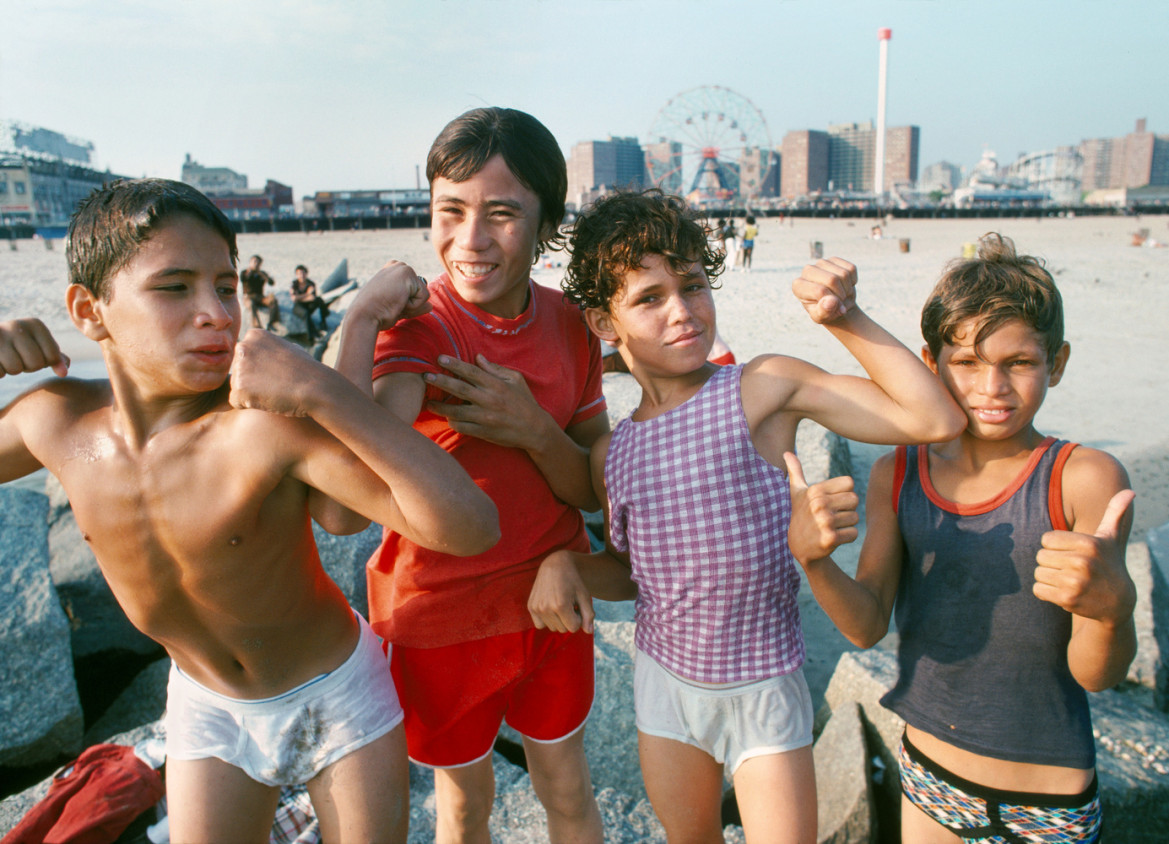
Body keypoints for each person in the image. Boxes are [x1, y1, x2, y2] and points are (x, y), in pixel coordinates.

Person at [0, 178, 499, 843]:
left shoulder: (261, 431)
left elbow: (469, 527)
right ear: (89, 312)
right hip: (210, 709)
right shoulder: (54, 421)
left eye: (226, 286)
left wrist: (320, 389)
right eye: (174, 288)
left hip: (335, 697)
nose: (215, 311)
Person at [527, 190, 965, 843]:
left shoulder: (760, 390)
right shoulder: (610, 454)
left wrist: (844, 319)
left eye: (693, 286)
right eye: (648, 298)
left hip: (764, 685)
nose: (681, 312)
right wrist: (566, 564)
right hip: (665, 689)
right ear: (602, 323)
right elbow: (632, 575)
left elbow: (933, 419)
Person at [785, 232, 1136, 843]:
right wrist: (814, 561)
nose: (991, 387)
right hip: (930, 779)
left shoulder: (1084, 479)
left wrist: (1112, 609)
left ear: (1058, 361)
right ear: (931, 362)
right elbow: (867, 624)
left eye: (1019, 363)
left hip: (1047, 799)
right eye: (967, 362)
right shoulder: (900, 472)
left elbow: (1095, 675)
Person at [334, 107, 608, 844]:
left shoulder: (573, 326)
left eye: (502, 214)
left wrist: (534, 431)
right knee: (463, 804)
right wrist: (360, 322)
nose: (471, 240)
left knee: (569, 789)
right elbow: (361, 467)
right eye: (449, 212)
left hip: (554, 602)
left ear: (546, 221)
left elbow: (592, 485)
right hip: (438, 617)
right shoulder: (420, 326)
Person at [240, 253, 281, 329]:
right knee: (252, 304)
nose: (256, 264)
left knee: (273, 300)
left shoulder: (262, 273)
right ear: (250, 262)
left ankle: (271, 322)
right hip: (248, 297)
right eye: (254, 262)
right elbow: (243, 278)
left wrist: (262, 275)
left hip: (260, 297)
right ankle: (256, 325)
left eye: (258, 262)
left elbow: (271, 282)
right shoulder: (245, 272)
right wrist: (251, 271)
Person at [291, 264, 330, 341]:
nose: (301, 275)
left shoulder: (310, 284)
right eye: (299, 274)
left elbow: (312, 298)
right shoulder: (294, 284)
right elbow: (294, 299)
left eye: (303, 273)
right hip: (298, 307)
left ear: (306, 274)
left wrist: (300, 297)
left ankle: (323, 321)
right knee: (306, 313)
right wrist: (307, 294)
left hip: (308, 305)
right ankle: (311, 336)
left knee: (319, 300)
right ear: (296, 275)